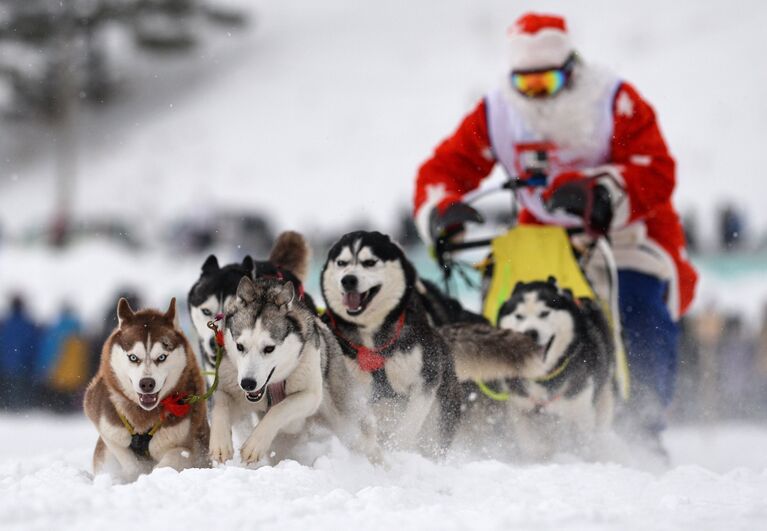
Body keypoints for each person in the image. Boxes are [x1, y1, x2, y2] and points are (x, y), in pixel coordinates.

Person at [413, 12, 698, 450]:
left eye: (545, 83)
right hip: (543, 239)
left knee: (637, 308)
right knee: (507, 312)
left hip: (623, 235)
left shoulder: (613, 102)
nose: (535, 95)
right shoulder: (498, 112)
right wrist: (442, 208)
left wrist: (600, 192)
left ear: (572, 71)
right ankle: (511, 416)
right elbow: (445, 167)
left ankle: (642, 424)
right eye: (525, 85)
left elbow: (656, 169)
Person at [0, 295, 41, 410]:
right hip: (24, 365)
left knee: (9, 392)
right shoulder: (28, 324)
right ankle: (20, 410)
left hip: (6, 365)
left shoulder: (5, 324)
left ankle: (9, 409)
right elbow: (33, 346)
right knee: (21, 394)